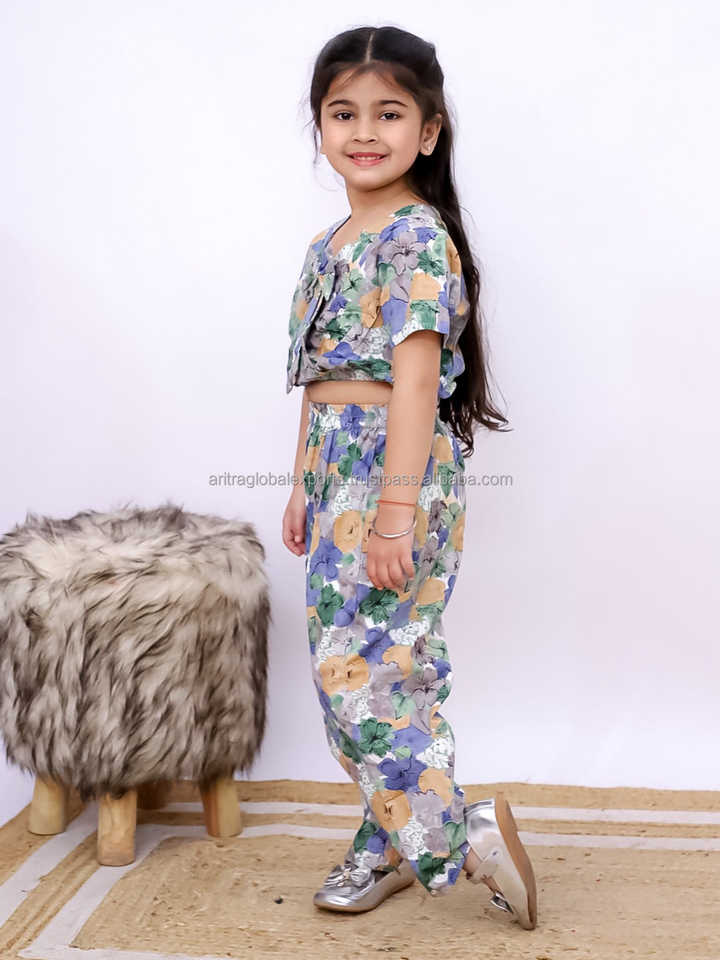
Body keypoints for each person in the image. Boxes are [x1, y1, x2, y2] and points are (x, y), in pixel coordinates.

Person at [281, 25, 538, 930]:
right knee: (356, 672)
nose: (364, 131)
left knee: (370, 671)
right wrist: (302, 482)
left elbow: (417, 381)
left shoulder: (416, 237)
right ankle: (387, 840)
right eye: (343, 112)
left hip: (394, 470)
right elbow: (320, 378)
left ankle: (458, 835)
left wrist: (393, 511)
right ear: (319, 126)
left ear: (428, 131)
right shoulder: (328, 242)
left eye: (389, 113)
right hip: (335, 471)